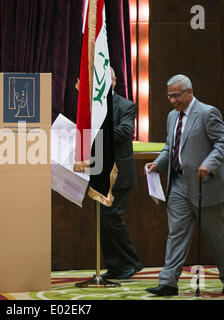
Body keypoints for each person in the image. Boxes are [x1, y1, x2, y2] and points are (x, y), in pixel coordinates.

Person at [145, 74, 224, 296]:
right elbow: (170, 147)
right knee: (176, 233)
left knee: (217, 236)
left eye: (176, 96)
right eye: (169, 96)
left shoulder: (207, 113)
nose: (172, 101)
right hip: (177, 183)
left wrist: (209, 164)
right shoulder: (171, 117)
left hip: (204, 185)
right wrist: (158, 163)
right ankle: (168, 282)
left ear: (189, 92)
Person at [100, 68, 143, 280]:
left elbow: (125, 132)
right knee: (102, 220)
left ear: (114, 81)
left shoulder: (126, 105)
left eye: (104, 76)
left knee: (111, 216)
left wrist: (97, 134)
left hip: (120, 174)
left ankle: (132, 262)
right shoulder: (90, 106)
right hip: (98, 171)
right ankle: (115, 265)